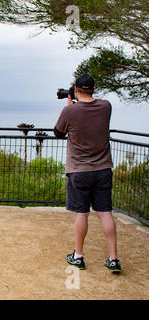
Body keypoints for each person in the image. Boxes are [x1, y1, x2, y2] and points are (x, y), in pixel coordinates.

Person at [54, 74, 122, 273]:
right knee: (105, 213)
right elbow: (91, 110)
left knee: (82, 214)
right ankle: (114, 259)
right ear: (93, 89)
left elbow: (58, 133)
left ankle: (78, 256)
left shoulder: (70, 111)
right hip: (103, 169)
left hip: (79, 171)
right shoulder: (106, 107)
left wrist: (69, 106)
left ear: (75, 89)